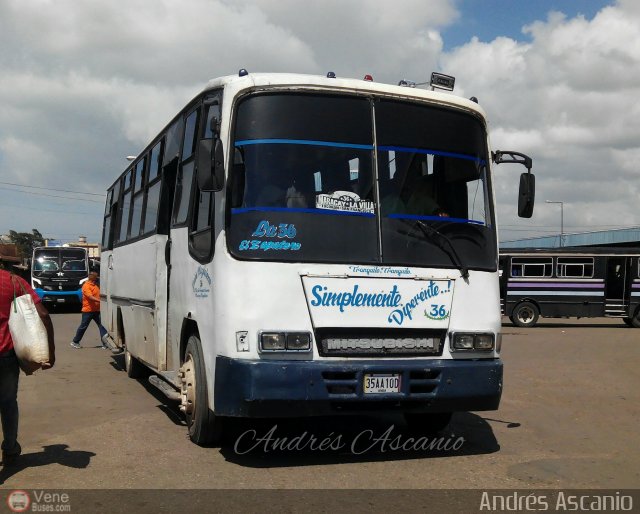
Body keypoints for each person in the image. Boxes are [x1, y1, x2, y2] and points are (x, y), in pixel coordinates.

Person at [0, 266, 55, 467]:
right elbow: (43, 314)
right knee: (7, 403)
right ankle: (10, 448)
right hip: (5, 355)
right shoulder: (14, 281)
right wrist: (51, 351)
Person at [70, 271, 116, 351]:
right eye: (96, 276)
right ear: (92, 277)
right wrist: (100, 301)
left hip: (97, 310)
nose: (97, 278)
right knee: (83, 327)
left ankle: (105, 343)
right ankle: (75, 342)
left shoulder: (95, 285)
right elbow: (90, 296)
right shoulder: (86, 286)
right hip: (88, 311)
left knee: (102, 326)